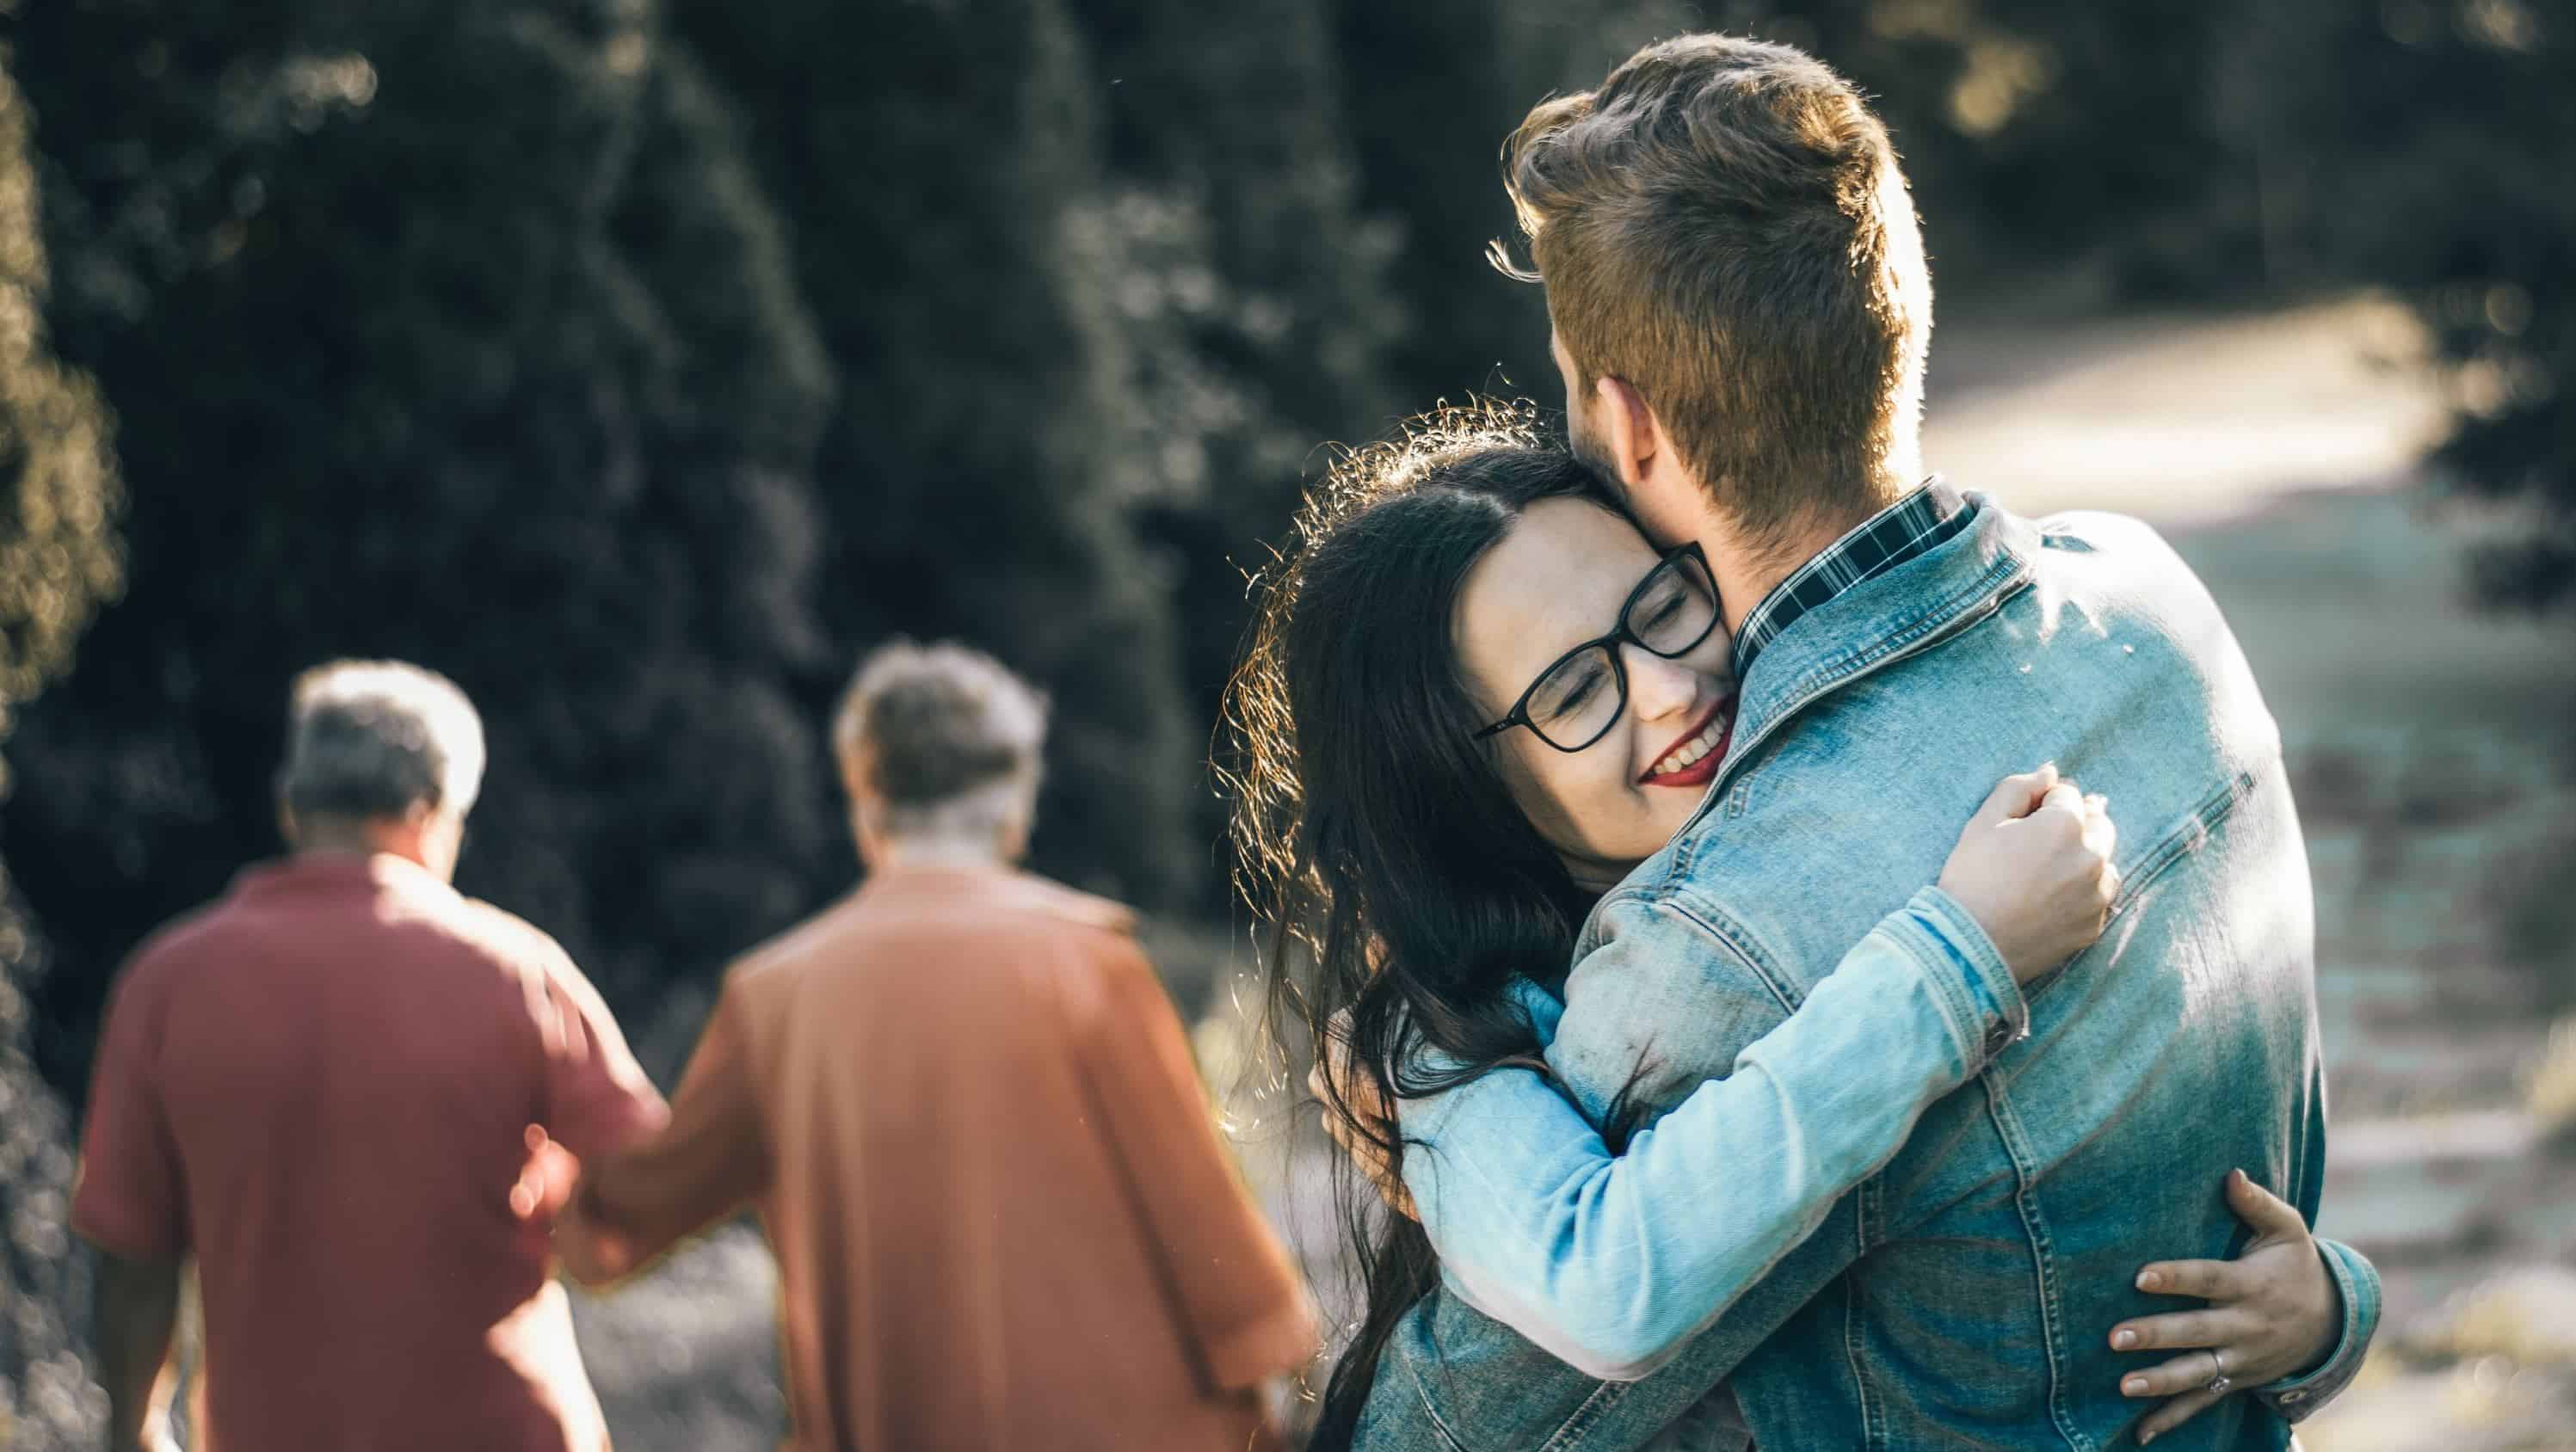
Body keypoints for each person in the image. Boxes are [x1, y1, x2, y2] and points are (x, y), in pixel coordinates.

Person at [1261, 34, 2379, 1451]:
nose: (1655, 692)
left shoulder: (1718, 942)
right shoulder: (2160, 607)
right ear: (1894, 315)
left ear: (1624, 419)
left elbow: (1460, 1420)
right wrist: (2339, 1308)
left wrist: (1447, 1134)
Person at [538, 641, 1316, 1452]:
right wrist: (1272, 1357)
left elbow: (630, 1212)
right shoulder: (1088, 961)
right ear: (1015, 804)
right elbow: (1192, 1199)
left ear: (867, 805)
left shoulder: (773, 997)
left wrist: (534, 1163)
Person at [71, 660, 664, 1452]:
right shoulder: (518, 971)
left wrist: (136, 1431)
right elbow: (651, 1188)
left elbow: (132, 1261)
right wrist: (567, 1213)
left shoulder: (166, 982)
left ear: (293, 809)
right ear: (430, 813)